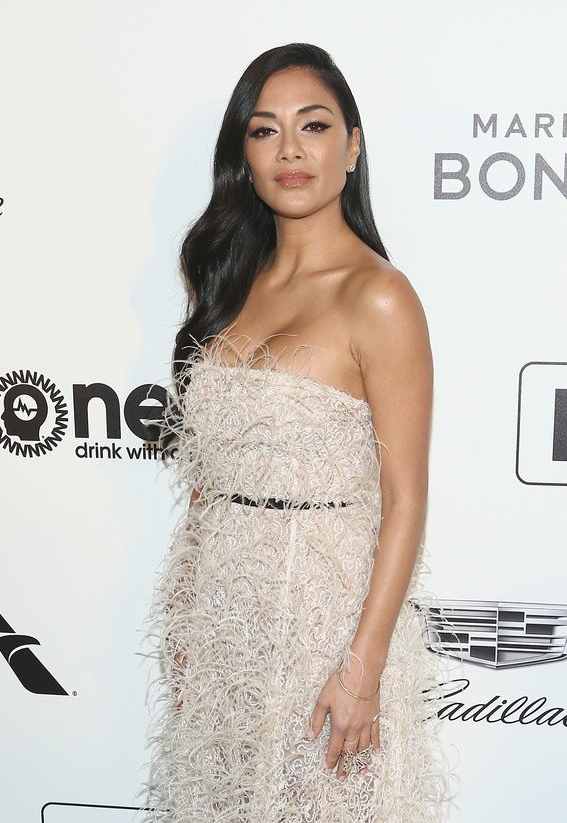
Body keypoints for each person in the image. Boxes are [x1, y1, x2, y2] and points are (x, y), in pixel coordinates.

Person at [143, 43, 457, 822]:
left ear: (352, 148)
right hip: (224, 622)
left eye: (313, 126)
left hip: (326, 621)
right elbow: (210, 484)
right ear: (243, 155)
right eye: (264, 130)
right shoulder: (225, 284)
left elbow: (405, 498)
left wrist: (363, 667)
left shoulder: (379, 297)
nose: (289, 149)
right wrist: (187, 618)